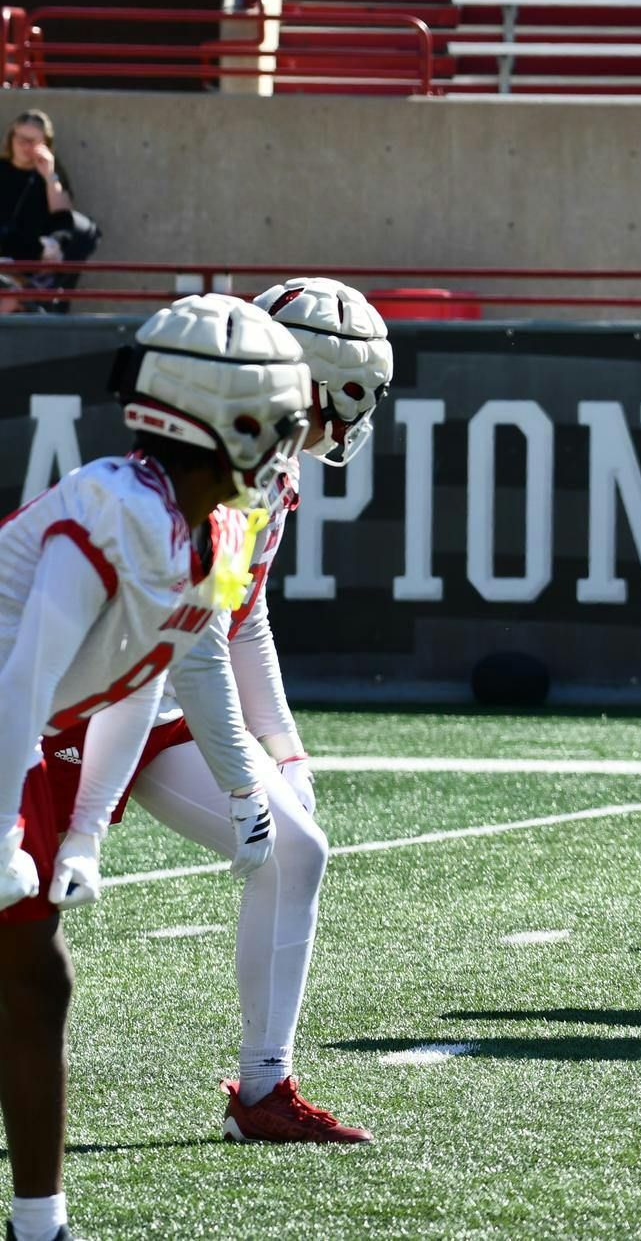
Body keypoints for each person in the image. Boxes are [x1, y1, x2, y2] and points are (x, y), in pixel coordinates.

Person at [39, 279, 392, 1146]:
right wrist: (244, 778)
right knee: (23, 922)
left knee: (297, 851)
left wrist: (287, 752)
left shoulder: (269, 477)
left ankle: (265, 1084)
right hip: (67, 689)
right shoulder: (214, 478)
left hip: (140, 688)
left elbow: (237, 620)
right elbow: (194, 642)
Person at [0, 293, 310, 1241]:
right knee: (28, 968)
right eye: (276, 416)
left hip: (30, 728)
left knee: (32, 972)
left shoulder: (211, 527)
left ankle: (40, 1223)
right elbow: (24, 674)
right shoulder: (114, 509)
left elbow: (178, 663)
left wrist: (93, 827)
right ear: (223, 417)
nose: (291, 440)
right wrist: (6, 827)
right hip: (8, 720)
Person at [0, 111, 101, 309]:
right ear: (11, 138)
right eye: (20, 138)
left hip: (30, 262)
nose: (25, 146)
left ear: (46, 143)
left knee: (11, 298)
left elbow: (65, 219)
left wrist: (49, 175)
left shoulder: (50, 175)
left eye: (33, 141)